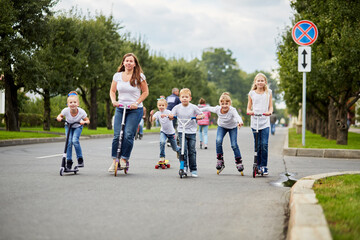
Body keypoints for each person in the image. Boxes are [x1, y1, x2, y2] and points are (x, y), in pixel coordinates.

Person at [108, 53, 149, 172]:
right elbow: (112, 90)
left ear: (135, 64)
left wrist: (137, 102)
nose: (129, 63)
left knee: (128, 134)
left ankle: (124, 159)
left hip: (135, 109)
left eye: (131, 61)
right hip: (120, 107)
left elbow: (145, 92)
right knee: (117, 135)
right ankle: (115, 160)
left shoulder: (140, 76)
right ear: (123, 63)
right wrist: (113, 100)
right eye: (127, 61)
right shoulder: (117, 76)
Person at [200, 93, 244, 173]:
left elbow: (237, 116)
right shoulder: (217, 109)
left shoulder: (232, 110)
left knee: (234, 144)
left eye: (226, 103)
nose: (224, 106)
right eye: (222, 103)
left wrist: (240, 122)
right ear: (220, 103)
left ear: (229, 104)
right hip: (222, 127)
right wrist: (197, 110)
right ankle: (220, 159)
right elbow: (207, 108)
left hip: (232, 127)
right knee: (218, 141)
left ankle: (238, 161)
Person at [169, 88, 204, 178]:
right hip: (181, 131)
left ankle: (193, 169)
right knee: (183, 150)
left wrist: (199, 116)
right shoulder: (177, 107)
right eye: (182, 97)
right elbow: (171, 115)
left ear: (190, 98)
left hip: (191, 132)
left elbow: (202, 114)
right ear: (180, 98)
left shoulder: (193, 107)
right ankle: (184, 167)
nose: (184, 98)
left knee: (192, 151)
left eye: (186, 97)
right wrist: (171, 116)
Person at [247, 73, 273, 176]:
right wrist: (250, 112)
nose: (260, 82)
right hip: (255, 122)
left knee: (264, 144)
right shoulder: (252, 93)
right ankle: (257, 166)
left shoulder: (268, 93)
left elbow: (271, 107)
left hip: (265, 122)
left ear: (265, 82)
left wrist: (269, 112)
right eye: (258, 81)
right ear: (255, 82)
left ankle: (263, 166)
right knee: (257, 145)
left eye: (262, 81)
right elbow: (248, 108)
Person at [56, 91, 90, 169]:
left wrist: (83, 122)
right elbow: (60, 116)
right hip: (68, 127)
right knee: (69, 142)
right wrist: (59, 118)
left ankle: (80, 159)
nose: (73, 104)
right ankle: (69, 161)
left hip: (78, 126)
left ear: (78, 104)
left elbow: (88, 121)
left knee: (75, 141)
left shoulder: (81, 112)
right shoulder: (66, 110)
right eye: (70, 102)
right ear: (68, 104)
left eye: (74, 102)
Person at [150, 98, 180, 165]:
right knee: (162, 142)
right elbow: (152, 120)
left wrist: (166, 115)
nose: (161, 107)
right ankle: (162, 157)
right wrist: (151, 115)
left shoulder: (168, 112)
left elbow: (172, 117)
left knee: (174, 148)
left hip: (171, 133)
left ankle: (179, 150)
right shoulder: (157, 113)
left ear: (165, 106)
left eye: (162, 105)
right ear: (157, 106)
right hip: (163, 132)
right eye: (159, 105)